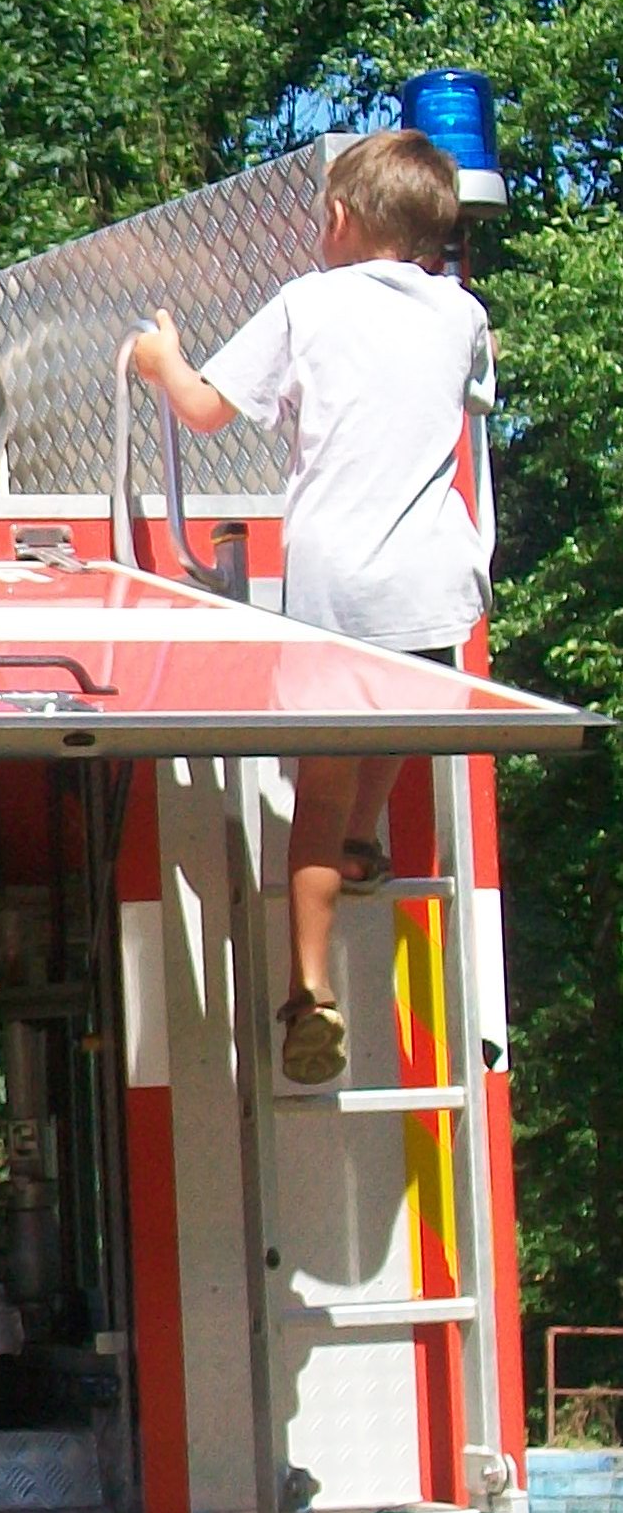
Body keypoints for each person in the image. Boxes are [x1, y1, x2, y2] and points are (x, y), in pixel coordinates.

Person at [131, 128, 494, 1085]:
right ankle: (367, 840)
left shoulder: (309, 303)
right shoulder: (463, 314)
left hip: (339, 585)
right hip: (434, 583)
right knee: (395, 728)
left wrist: (161, 357)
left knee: (317, 792)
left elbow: (207, 408)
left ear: (338, 217)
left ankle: (310, 987)